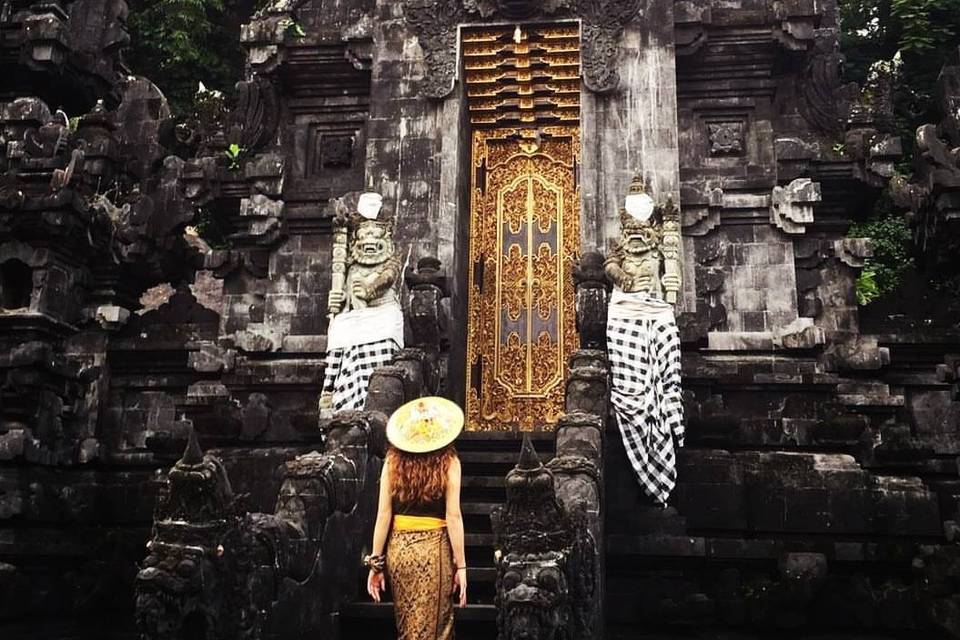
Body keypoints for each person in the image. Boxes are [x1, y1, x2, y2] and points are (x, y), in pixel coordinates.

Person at [364, 397, 468, 639]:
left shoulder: (393, 461)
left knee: (409, 624)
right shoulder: (450, 462)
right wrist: (461, 565)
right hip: (433, 549)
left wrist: (376, 564)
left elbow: (383, 516)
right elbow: (453, 516)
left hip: (399, 551)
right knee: (434, 628)